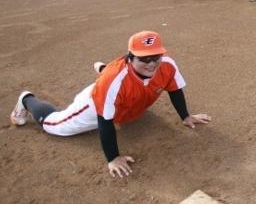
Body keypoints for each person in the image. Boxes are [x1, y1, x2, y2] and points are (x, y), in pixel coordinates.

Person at [9, 31, 211, 178]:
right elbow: (105, 121)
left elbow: (174, 89)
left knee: (128, 95)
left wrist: (186, 116)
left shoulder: (166, 64)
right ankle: (26, 99)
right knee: (54, 125)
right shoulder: (113, 83)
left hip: (124, 97)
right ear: (130, 57)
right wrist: (113, 158)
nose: (151, 63)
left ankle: (103, 68)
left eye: (155, 57)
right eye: (144, 58)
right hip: (96, 102)